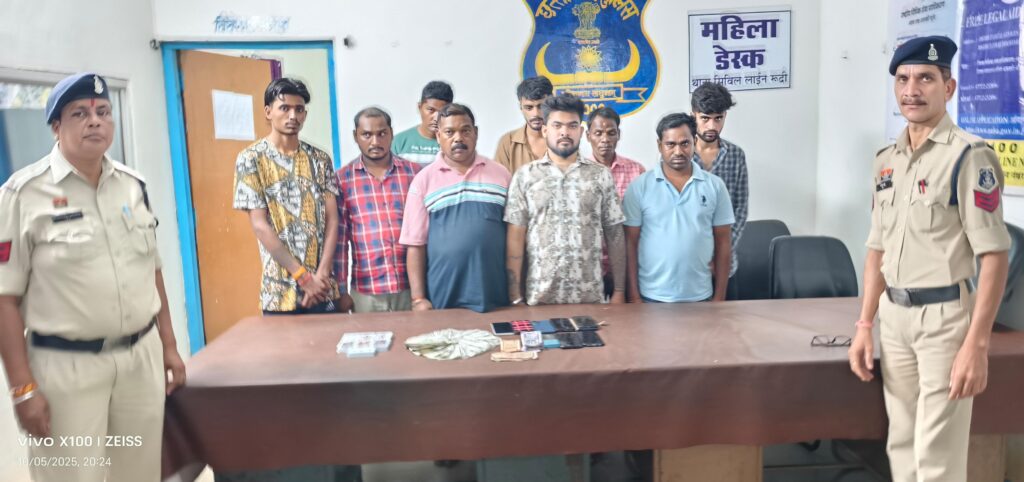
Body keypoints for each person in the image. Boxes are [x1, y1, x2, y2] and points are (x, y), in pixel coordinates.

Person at [0, 72, 185, 482]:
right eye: (80, 114)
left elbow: (152, 270)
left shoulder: (133, 186)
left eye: (103, 112)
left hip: (140, 361)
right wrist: (22, 388)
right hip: (66, 368)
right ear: (56, 127)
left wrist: (169, 346)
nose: (95, 121)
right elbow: (4, 298)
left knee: (139, 474)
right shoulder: (21, 195)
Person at [848, 36, 1010, 482]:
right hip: (894, 317)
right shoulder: (886, 160)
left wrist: (977, 344)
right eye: (903, 79)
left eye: (925, 78)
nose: (911, 90)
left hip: (944, 320)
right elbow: (877, 249)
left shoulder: (969, 156)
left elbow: (995, 255)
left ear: (949, 87)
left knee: (936, 455)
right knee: (901, 445)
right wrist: (865, 324)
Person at [505, 94, 626, 306]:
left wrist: (619, 291)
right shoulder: (525, 176)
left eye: (572, 126)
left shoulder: (600, 175)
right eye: (557, 125)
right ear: (545, 130)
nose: (564, 132)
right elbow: (515, 239)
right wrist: (515, 296)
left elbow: (615, 235)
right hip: (540, 299)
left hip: (590, 299)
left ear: (580, 131)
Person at [233, 77, 340, 315]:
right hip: (280, 292)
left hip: (323, 288)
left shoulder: (320, 159)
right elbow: (260, 225)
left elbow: (333, 219)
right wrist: (303, 277)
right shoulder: (251, 159)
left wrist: (322, 274)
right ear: (268, 112)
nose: (293, 116)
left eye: (299, 109)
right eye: (285, 108)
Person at [400, 103, 511, 313]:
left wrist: (516, 293)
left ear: (475, 133)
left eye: (465, 131)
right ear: (438, 136)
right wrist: (418, 298)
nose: (458, 138)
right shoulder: (423, 181)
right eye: (449, 132)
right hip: (443, 294)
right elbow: (415, 244)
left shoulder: (501, 175)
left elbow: (515, 236)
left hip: (494, 294)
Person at [624, 113, 733, 303]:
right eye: (670, 144)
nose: (678, 151)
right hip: (651, 298)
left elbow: (724, 243)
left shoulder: (715, 186)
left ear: (694, 143)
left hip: (701, 297)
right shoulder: (639, 187)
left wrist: (719, 298)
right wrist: (633, 296)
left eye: (685, 143)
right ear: (660, 145)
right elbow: (630, 243)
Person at [335, 107, 422, 313]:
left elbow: (426, 232)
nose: (375, 141)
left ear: (391, 133)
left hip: (411, 288)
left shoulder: (414, 174)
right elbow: (340, 240)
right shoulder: (342, 179)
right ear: (355, 136)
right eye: (367, 135)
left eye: (382, 133)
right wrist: (341, 290)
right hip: (367, 291)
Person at [585, 107, 645, 299]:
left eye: (611, 133)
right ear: (588, 136)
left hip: (627, 267)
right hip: (589, 269)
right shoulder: (579, 174)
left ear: (619, 135)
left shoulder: (636, 171)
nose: (605, 139)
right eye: (598, 133)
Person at [690, 82, 748, 278]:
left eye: (718, 119)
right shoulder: (678, 155)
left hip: (724, 264)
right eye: (705, 118)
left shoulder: (736, 155)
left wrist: (723, 249)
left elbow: (740, 208)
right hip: (687, 262)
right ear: (694, 115)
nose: (712, 126)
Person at [494, 76, 553, 174]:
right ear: (521, 107)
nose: (535, 113)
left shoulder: (561, 140)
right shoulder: (508, 142)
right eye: (529, 107)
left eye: (541, 106)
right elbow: (499, 180)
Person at [391, 80, 454, 165]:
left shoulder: (455, 142)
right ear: (419, 107)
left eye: (442, 111)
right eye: (431, 110)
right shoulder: (398, 142)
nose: (436, 118)